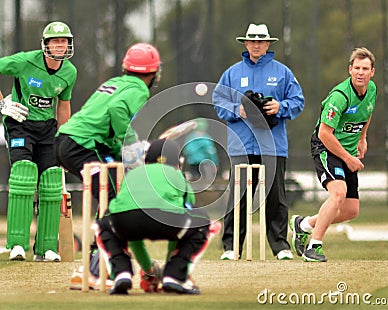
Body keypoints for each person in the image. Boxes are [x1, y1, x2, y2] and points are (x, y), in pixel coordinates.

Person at [54, 42, 161, 287]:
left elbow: (106, 126)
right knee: (115, 201)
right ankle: (94, 267)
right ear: (153, 72)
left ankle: (102, 264)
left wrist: (124, 151)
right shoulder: (139, 90)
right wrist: (133, 146)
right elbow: (116, 111)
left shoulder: (115, 82)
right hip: (83, 145)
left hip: (65, 141)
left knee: (113, 198)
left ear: (126, 66)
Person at [213, 23, 304, 260]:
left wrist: (279, 106)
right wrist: (238, 110)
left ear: (267, 44)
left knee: (275, 197)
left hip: (272, 146)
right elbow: (218, 101)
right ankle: (231, 248)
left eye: (260, 41)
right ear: (245, 43)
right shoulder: (232, 73)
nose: (256, 45)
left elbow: (298, 101)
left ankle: (281, 246)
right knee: (238, 198)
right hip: (241, 145)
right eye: (251, 40)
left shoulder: (282, 72)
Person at [95, 139, 217, 295]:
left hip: (125, 221)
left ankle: (121, 273)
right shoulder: (176, 175)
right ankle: (174, 276)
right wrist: (169, 268)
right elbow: (186, 209)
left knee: (104, 224)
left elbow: (133, 236)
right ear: (177, 163)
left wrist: (149, 271)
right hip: (167, 221)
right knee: (202, 222)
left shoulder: (133, 174)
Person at [290, 47, 377, 262]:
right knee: (338, 193)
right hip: (325, 147)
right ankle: (314, 246)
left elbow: (368, 111)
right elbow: (324, 133)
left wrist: (362, 138)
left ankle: (303, 225)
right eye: (356, 68)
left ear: (372, 72)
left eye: (365, 68)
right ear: (350, 70)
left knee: (350, 211)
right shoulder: (339, 96)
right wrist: (348, 159)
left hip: (347, 150)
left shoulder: (372, 89)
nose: (360, 72)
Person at [0, 21, 77, 262]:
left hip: (47, 130)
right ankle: (17, 244)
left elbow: (63, 107)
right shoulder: (25, 61)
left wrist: (63, 142)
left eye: (63, 41)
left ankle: (46, 247)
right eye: (55, 41)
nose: (59, 45)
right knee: (24, 175)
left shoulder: (69, 72)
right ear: (45, 45)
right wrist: (2, 104)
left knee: (51, 181)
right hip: (19, 123)